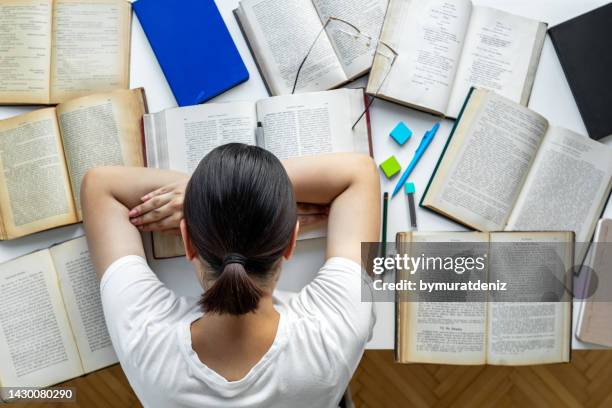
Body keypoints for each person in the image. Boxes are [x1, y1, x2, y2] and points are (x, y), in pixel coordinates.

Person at [81, 143, 380, 407]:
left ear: (187, 242)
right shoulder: (338, 332)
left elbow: (100, 186)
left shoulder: (146, 342)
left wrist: (207, 196)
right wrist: (251, 193)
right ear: (290, 243)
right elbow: (359, 173)